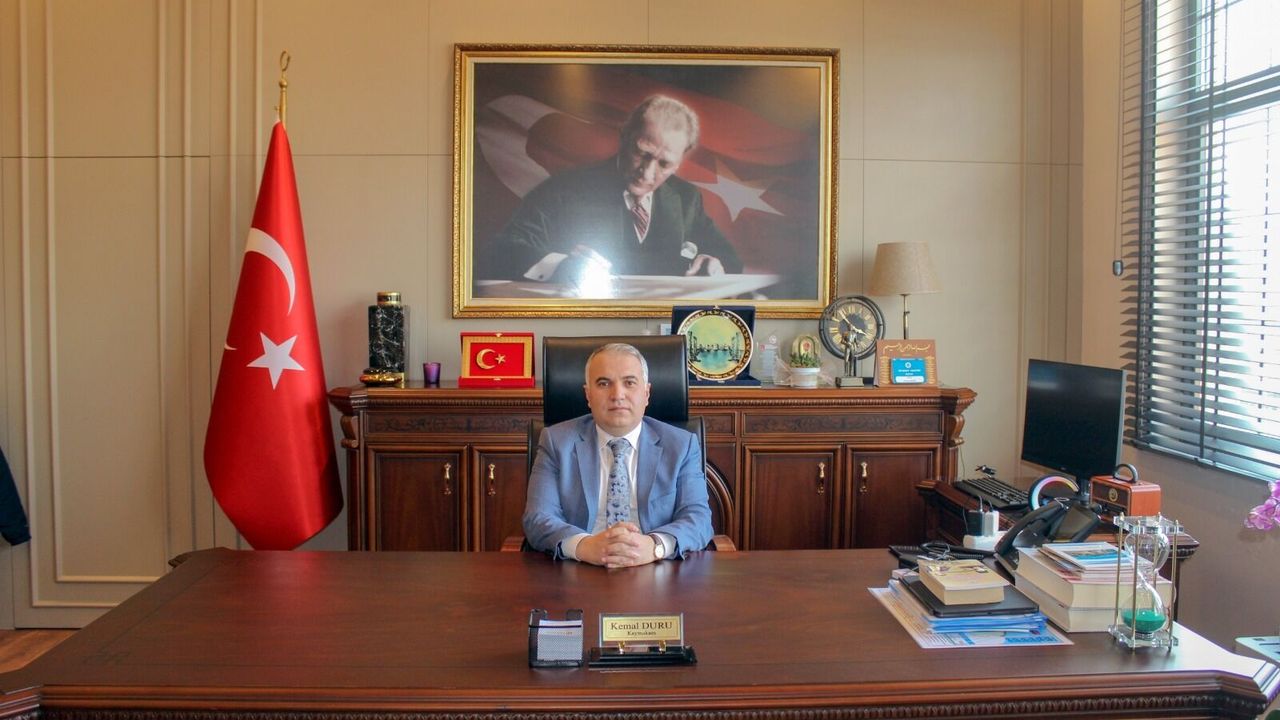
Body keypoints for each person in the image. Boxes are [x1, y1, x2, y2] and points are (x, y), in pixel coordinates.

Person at [489, 95, 743, 286]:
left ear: (679, 162)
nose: (647, 173)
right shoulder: (564, 189)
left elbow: (729, 257)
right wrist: (561, 265)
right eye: (642, 153)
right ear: (624, 137)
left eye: (664, 164)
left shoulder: (686, 197)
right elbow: (505, 249)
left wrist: (714, 263)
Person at [522, 343, 713, 567]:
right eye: (604, 383)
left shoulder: (681, 445)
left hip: (657, 566)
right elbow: (538, 518)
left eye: (629, 383)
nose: (617, 395)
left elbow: (698, 519)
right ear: (588, 395)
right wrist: (584, 546)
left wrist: (655, 546)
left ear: (646, 393)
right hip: (580, 566)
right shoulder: (556, 442)